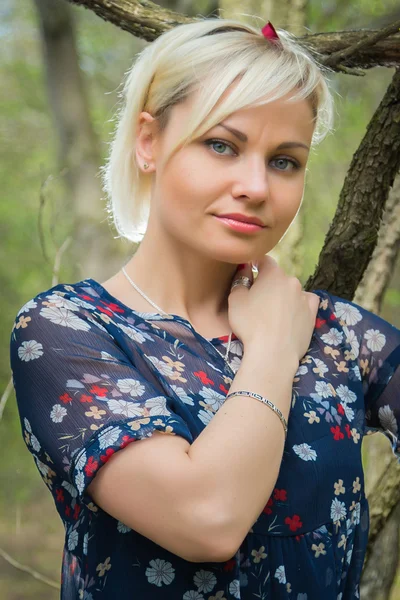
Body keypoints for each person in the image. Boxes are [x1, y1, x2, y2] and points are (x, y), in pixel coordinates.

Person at [9, 16, 400, 600]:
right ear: (149, 142)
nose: (256, 186)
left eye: (284, 160)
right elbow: (206, 518)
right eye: (223, 145)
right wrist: (270, 347)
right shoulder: (66, 330)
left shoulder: (339, 333)